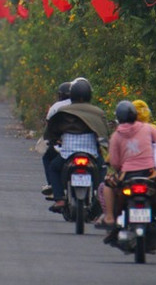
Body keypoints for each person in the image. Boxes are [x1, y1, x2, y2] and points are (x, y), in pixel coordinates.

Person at [102, 100, 156, 248]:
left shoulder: (116, 136)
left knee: (107, 185)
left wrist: (121, 169)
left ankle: (110, 218)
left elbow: (115, 162)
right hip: (149, 174)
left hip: (127, 177)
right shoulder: (149, 129)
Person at [44, 77, 110, 212]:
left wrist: (54, 139)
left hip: (68, 154)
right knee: (102, 168)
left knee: (54, 168)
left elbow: (52, 130)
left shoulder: (63, 111)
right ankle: (99, 196)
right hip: (91, 153)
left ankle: (60, 199)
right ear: (89, 95)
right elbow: (104, 133)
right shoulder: (97, 112)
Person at [39, 81, 72, 197]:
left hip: (62, 144)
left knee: (48, 160)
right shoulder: (87, 108)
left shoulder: (56, 107)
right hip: (87, 150)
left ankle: (52, 186)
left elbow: (49, 126)